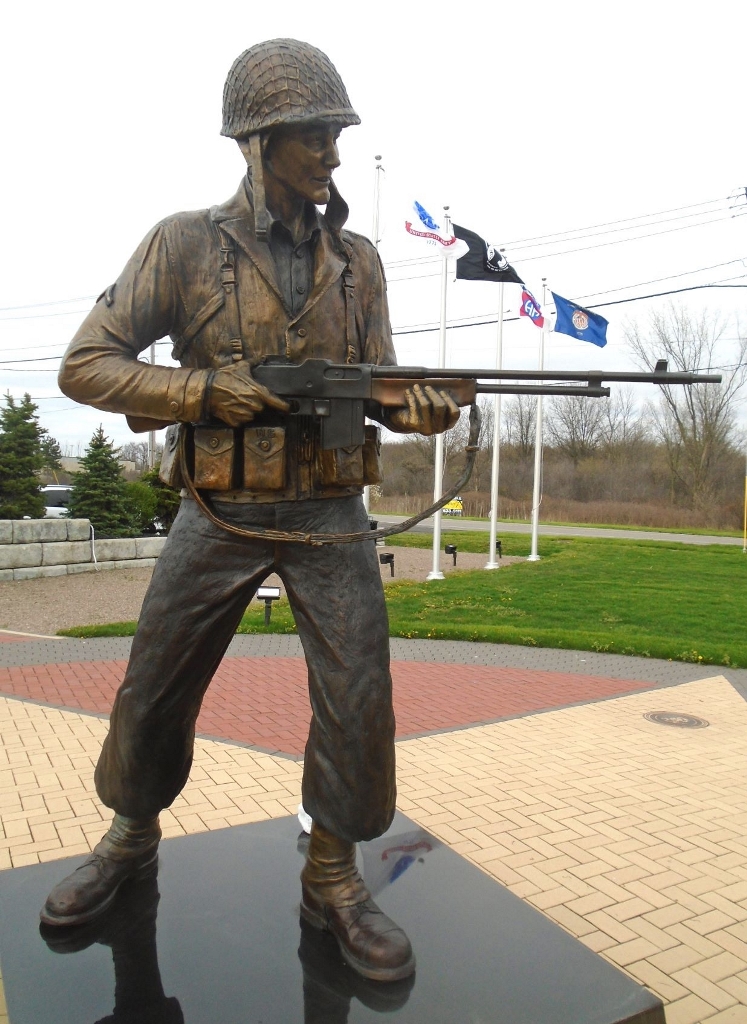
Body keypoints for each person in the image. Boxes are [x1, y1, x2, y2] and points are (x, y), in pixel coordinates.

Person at [41, 38, 458, 983]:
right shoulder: (184, 243)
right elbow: (86, 364)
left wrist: (415, 403)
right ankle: (129, 838)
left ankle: (334, 875)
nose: (334, 156)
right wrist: (199, 393)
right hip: (220, 512)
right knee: (153, 685)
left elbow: (378, 380)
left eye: (335, 136)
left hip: (329, 516)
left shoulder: (359, 263)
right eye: (316, 136)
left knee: (358, 700)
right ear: (260, 142)